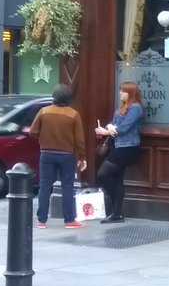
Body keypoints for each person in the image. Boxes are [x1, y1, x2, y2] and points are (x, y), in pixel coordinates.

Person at [29, 84, 87, 229]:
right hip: (66, 155)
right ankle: (69, 220)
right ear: (69, 98)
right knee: (67, 186)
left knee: (45, 186)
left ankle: (41, 220)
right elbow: (79, 140)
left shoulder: (44, 111)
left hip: (46, 153)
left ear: (54, 96)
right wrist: (82, 157)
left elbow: (32, 132)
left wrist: (43, 140)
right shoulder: (73, 114)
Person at [95, 81, 144, 223]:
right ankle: (117, 213)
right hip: (117, 146)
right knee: (117, 179)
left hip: (127, 148)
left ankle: (116, 208)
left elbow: (123, 128)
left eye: (123, 91)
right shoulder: (122, 107)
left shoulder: (135, 108)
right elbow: (113, 124)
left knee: (103, 174)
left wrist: (107, 130)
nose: (120, 93)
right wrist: (108, 128)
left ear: (131, 93)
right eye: (120, 90)